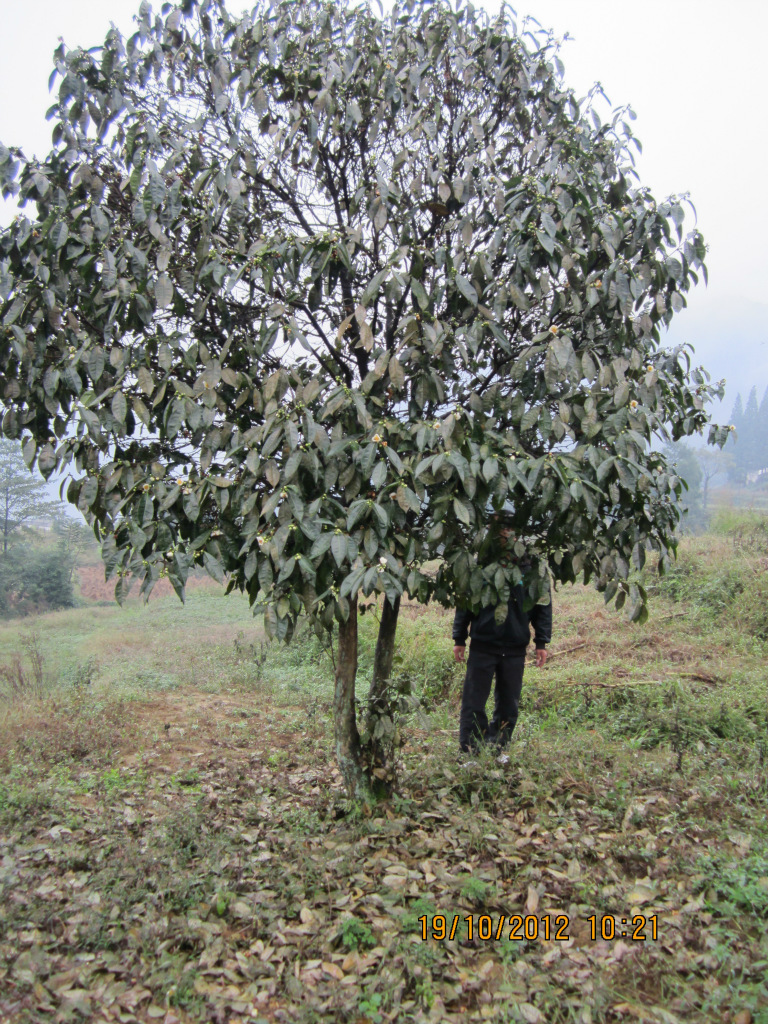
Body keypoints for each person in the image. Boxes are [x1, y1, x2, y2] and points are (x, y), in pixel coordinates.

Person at [452, 521, 551, 757]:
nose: (505, 539)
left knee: (508, 705)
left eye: (509, 534)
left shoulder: (531, 569)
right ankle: (470, 751)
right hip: (482, 645)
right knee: (473, 703)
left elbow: (543, 607)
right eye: (499, 535)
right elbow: (465, 603)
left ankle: (498, 748)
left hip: (515, 648)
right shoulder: (481, 567)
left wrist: (542, 642)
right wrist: (459, 637)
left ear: (517, 538)